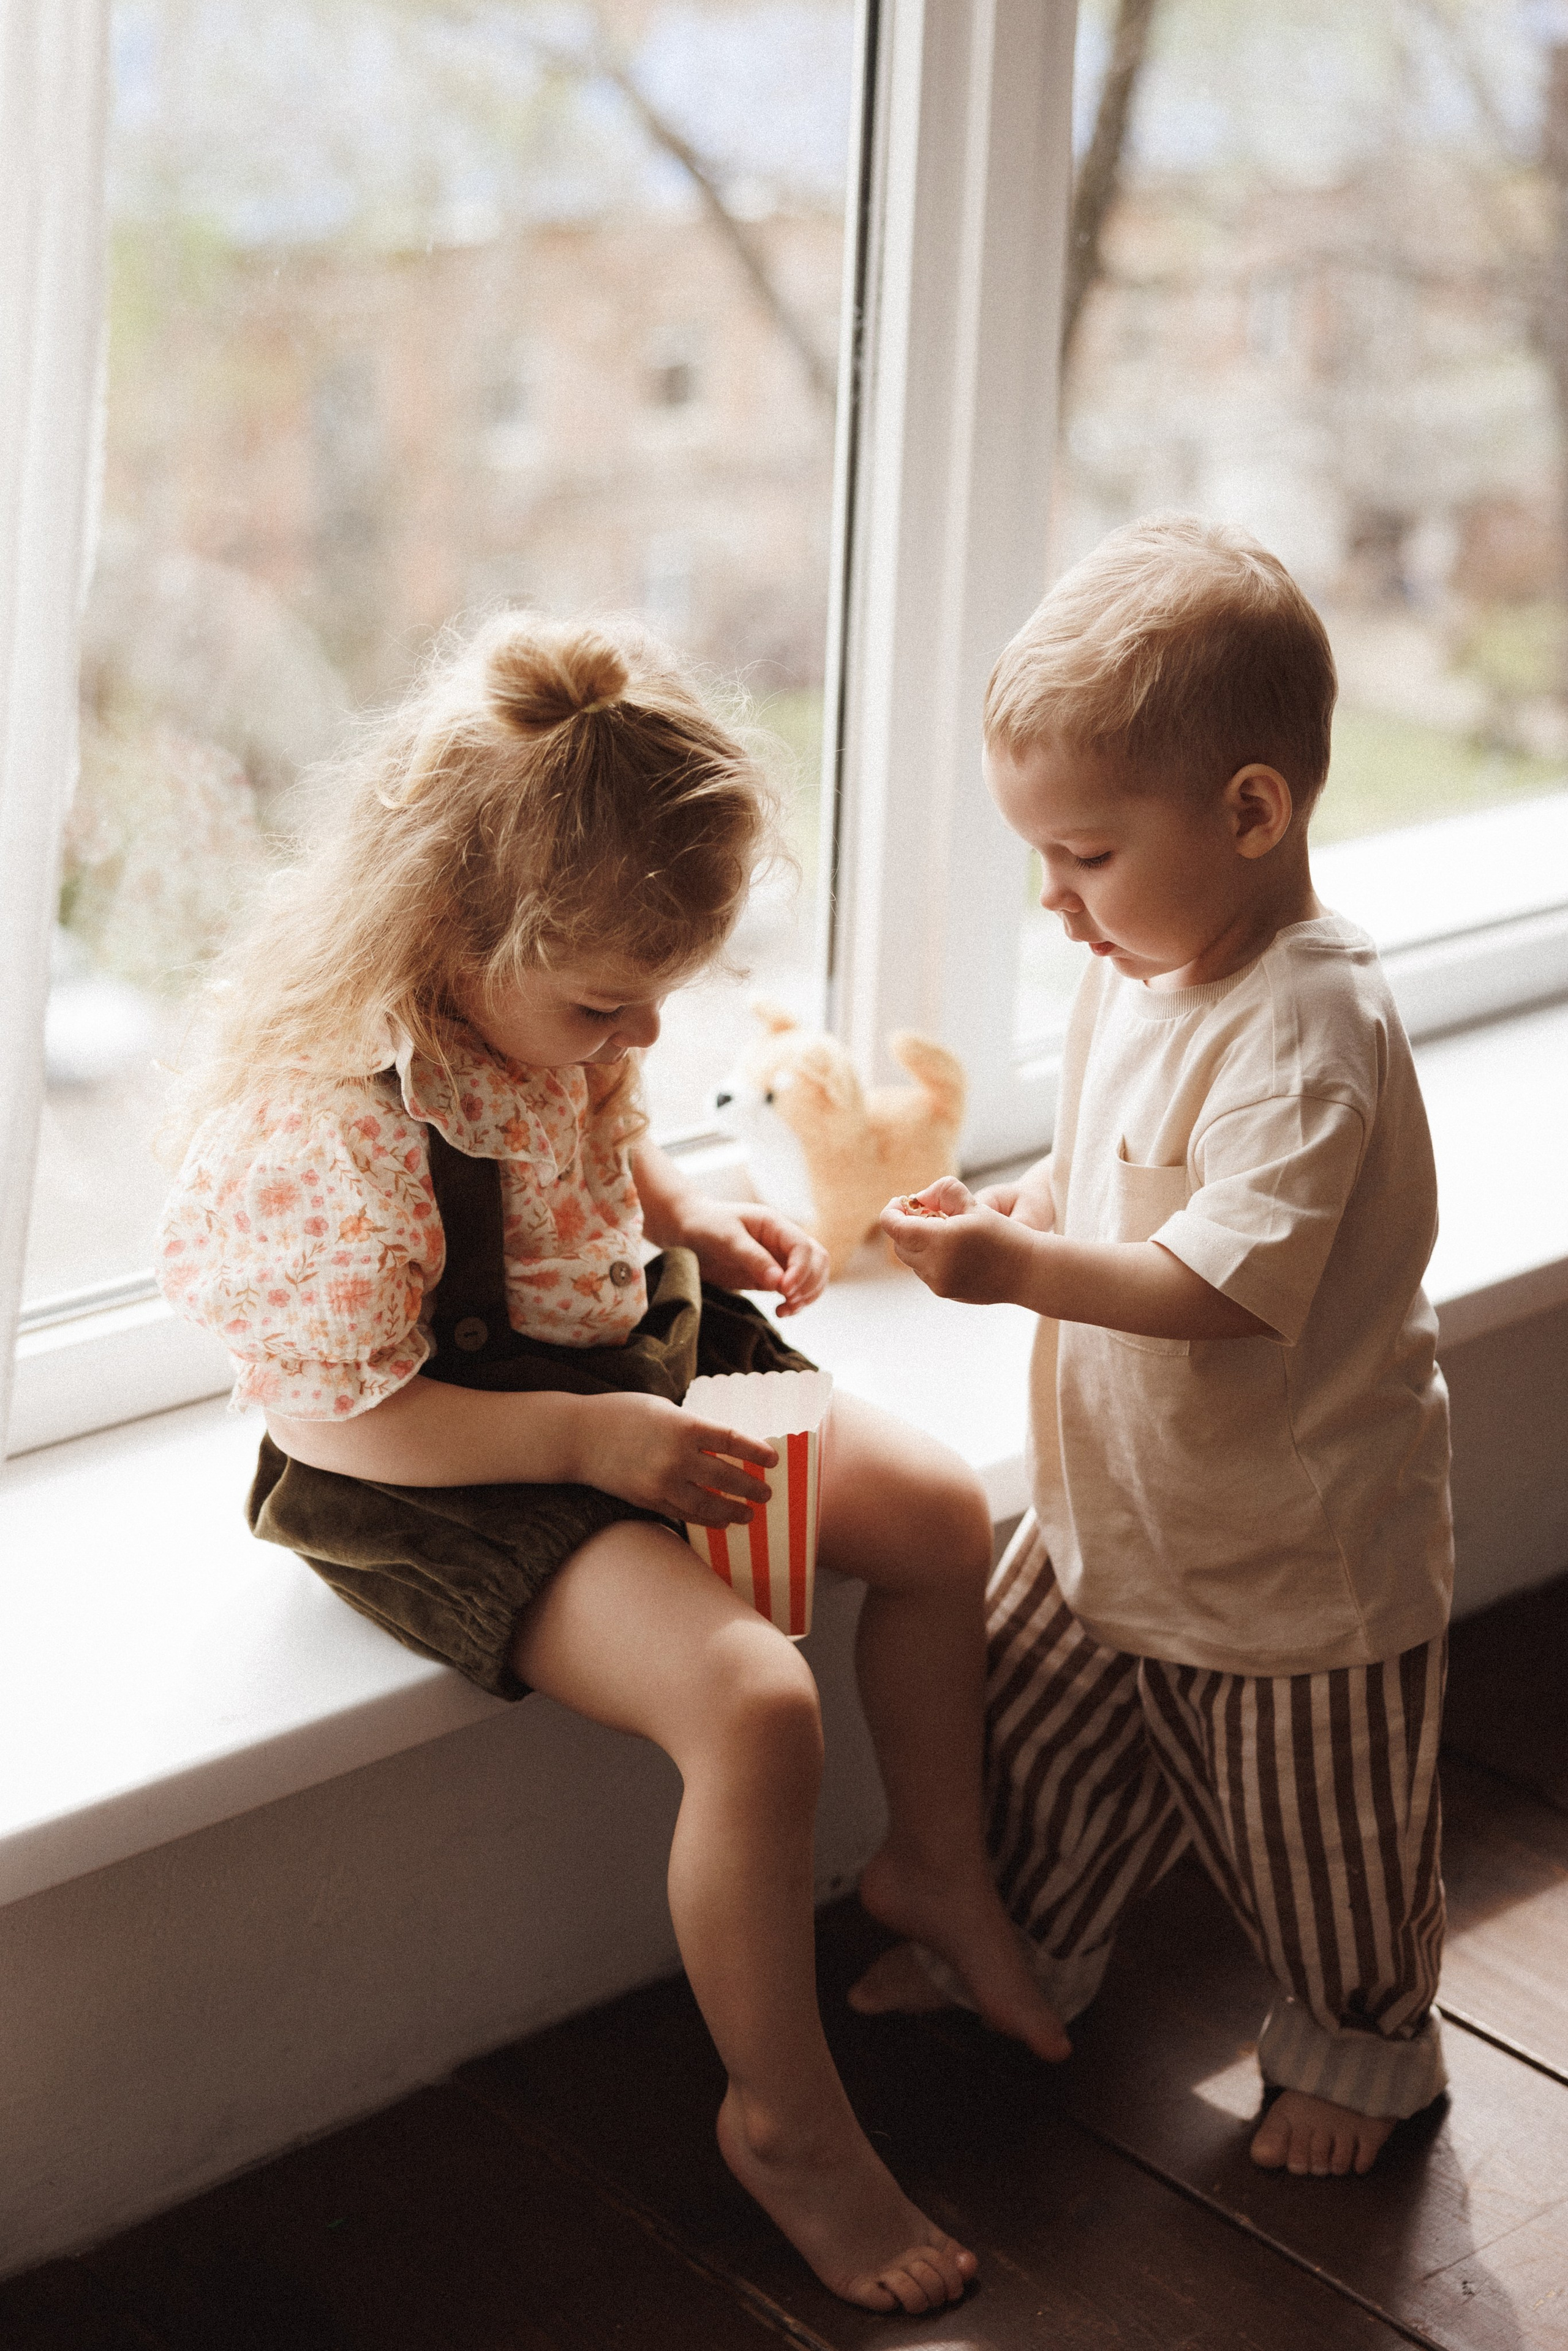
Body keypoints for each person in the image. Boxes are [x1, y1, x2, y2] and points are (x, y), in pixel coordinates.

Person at [157, 613, 1068, 2315]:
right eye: (607, 1001)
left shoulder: (550, 1013)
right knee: (755, 1705)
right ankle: (785, 2120)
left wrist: (690, 1220)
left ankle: (935, 1868)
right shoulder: (343, 1119)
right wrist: (587, 1440)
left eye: (663, 995)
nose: (642, 1034)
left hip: (612, 1357)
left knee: (944, 1517)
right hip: (441, 1447)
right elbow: (328, 1416)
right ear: (454, 925)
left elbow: (593, 1142)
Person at [851, 516, 1453, 2181]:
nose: (1056, 904)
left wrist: (1015, 1269)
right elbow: (1113, 1162)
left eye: (1088, 857)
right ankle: (1027, 1943)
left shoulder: (1308, 1028)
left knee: (1320, 1835)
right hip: (1117, 1498)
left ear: (1252, 813)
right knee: (1030, 1738)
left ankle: (1362, 2046)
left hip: (1293, 1556)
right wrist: (1022, 1205)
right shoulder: (1141, 961)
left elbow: (1224, 1282)